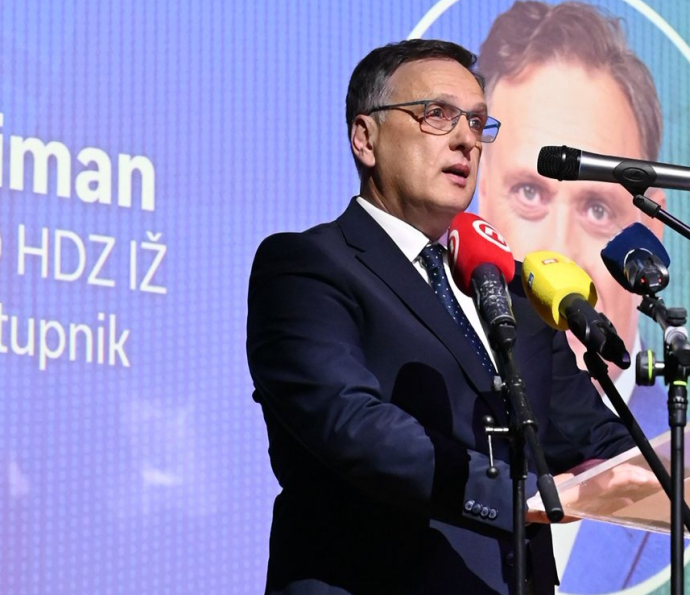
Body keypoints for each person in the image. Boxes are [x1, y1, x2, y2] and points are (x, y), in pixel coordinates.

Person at [246, 39, 656, 595]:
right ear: (365, 138)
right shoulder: (308, 266)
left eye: (478, 122)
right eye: (437, 114)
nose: (466, 138)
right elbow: (350, 424)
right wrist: (523, 497)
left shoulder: (514, 290)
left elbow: (588, 432)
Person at [476, 1, 677, 592]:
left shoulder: (686, 458)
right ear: (480, 198)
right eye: (529, 194)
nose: (560, 250)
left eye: (596, 208)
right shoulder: (449, 400)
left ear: (651, 227)